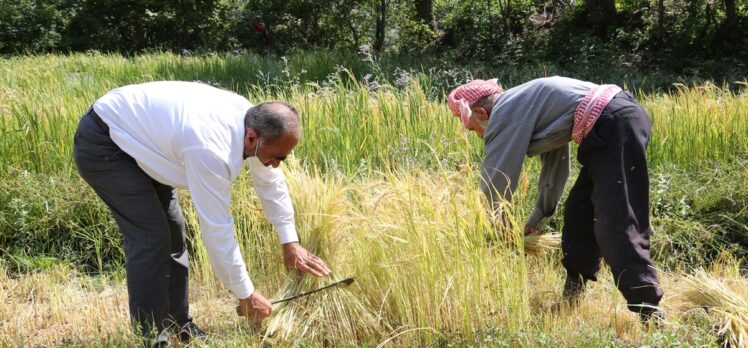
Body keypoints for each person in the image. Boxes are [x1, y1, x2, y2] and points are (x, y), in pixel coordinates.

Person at [73, 81, 332, 345]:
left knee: (173, 232)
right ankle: (151, 339)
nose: (277, 164)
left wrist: (290, 241)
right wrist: (246, 294)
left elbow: (271, 183)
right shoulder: (211, 149)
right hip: (105, 144)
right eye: (278, 156)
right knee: (152, 238)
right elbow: (217, 230)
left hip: (147, 142)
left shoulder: (255, 123)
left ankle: (178, 326)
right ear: (252, 137)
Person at [446, 76, 664, 323]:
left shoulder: (505, 112)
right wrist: (539, 215)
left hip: (614, 124)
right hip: (609, 126)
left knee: (615, 223)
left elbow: (495, 183)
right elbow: (556, 168)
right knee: (579, 215)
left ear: (481, 112)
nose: (477, 136)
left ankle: (651, 313)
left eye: (473, 128)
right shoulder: (527, 109)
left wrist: (495, 233)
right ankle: (572, 300)